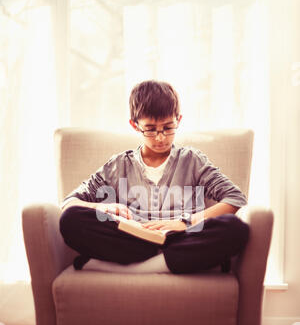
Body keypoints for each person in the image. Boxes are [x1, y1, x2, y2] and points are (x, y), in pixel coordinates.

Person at [59, 80, 249, 274]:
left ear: (179, 120)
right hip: (132, 241)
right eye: (150, 129)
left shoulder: (192, 160)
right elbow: (69, 203)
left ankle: (137, 269)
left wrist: (184, 223)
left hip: (183, 237)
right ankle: (168, 262)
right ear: (135, 125)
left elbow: (235, 198)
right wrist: (102, 206)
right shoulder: (118, 165)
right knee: (70, 220)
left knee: (235, 229)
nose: (160, 138)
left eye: (168, 128)